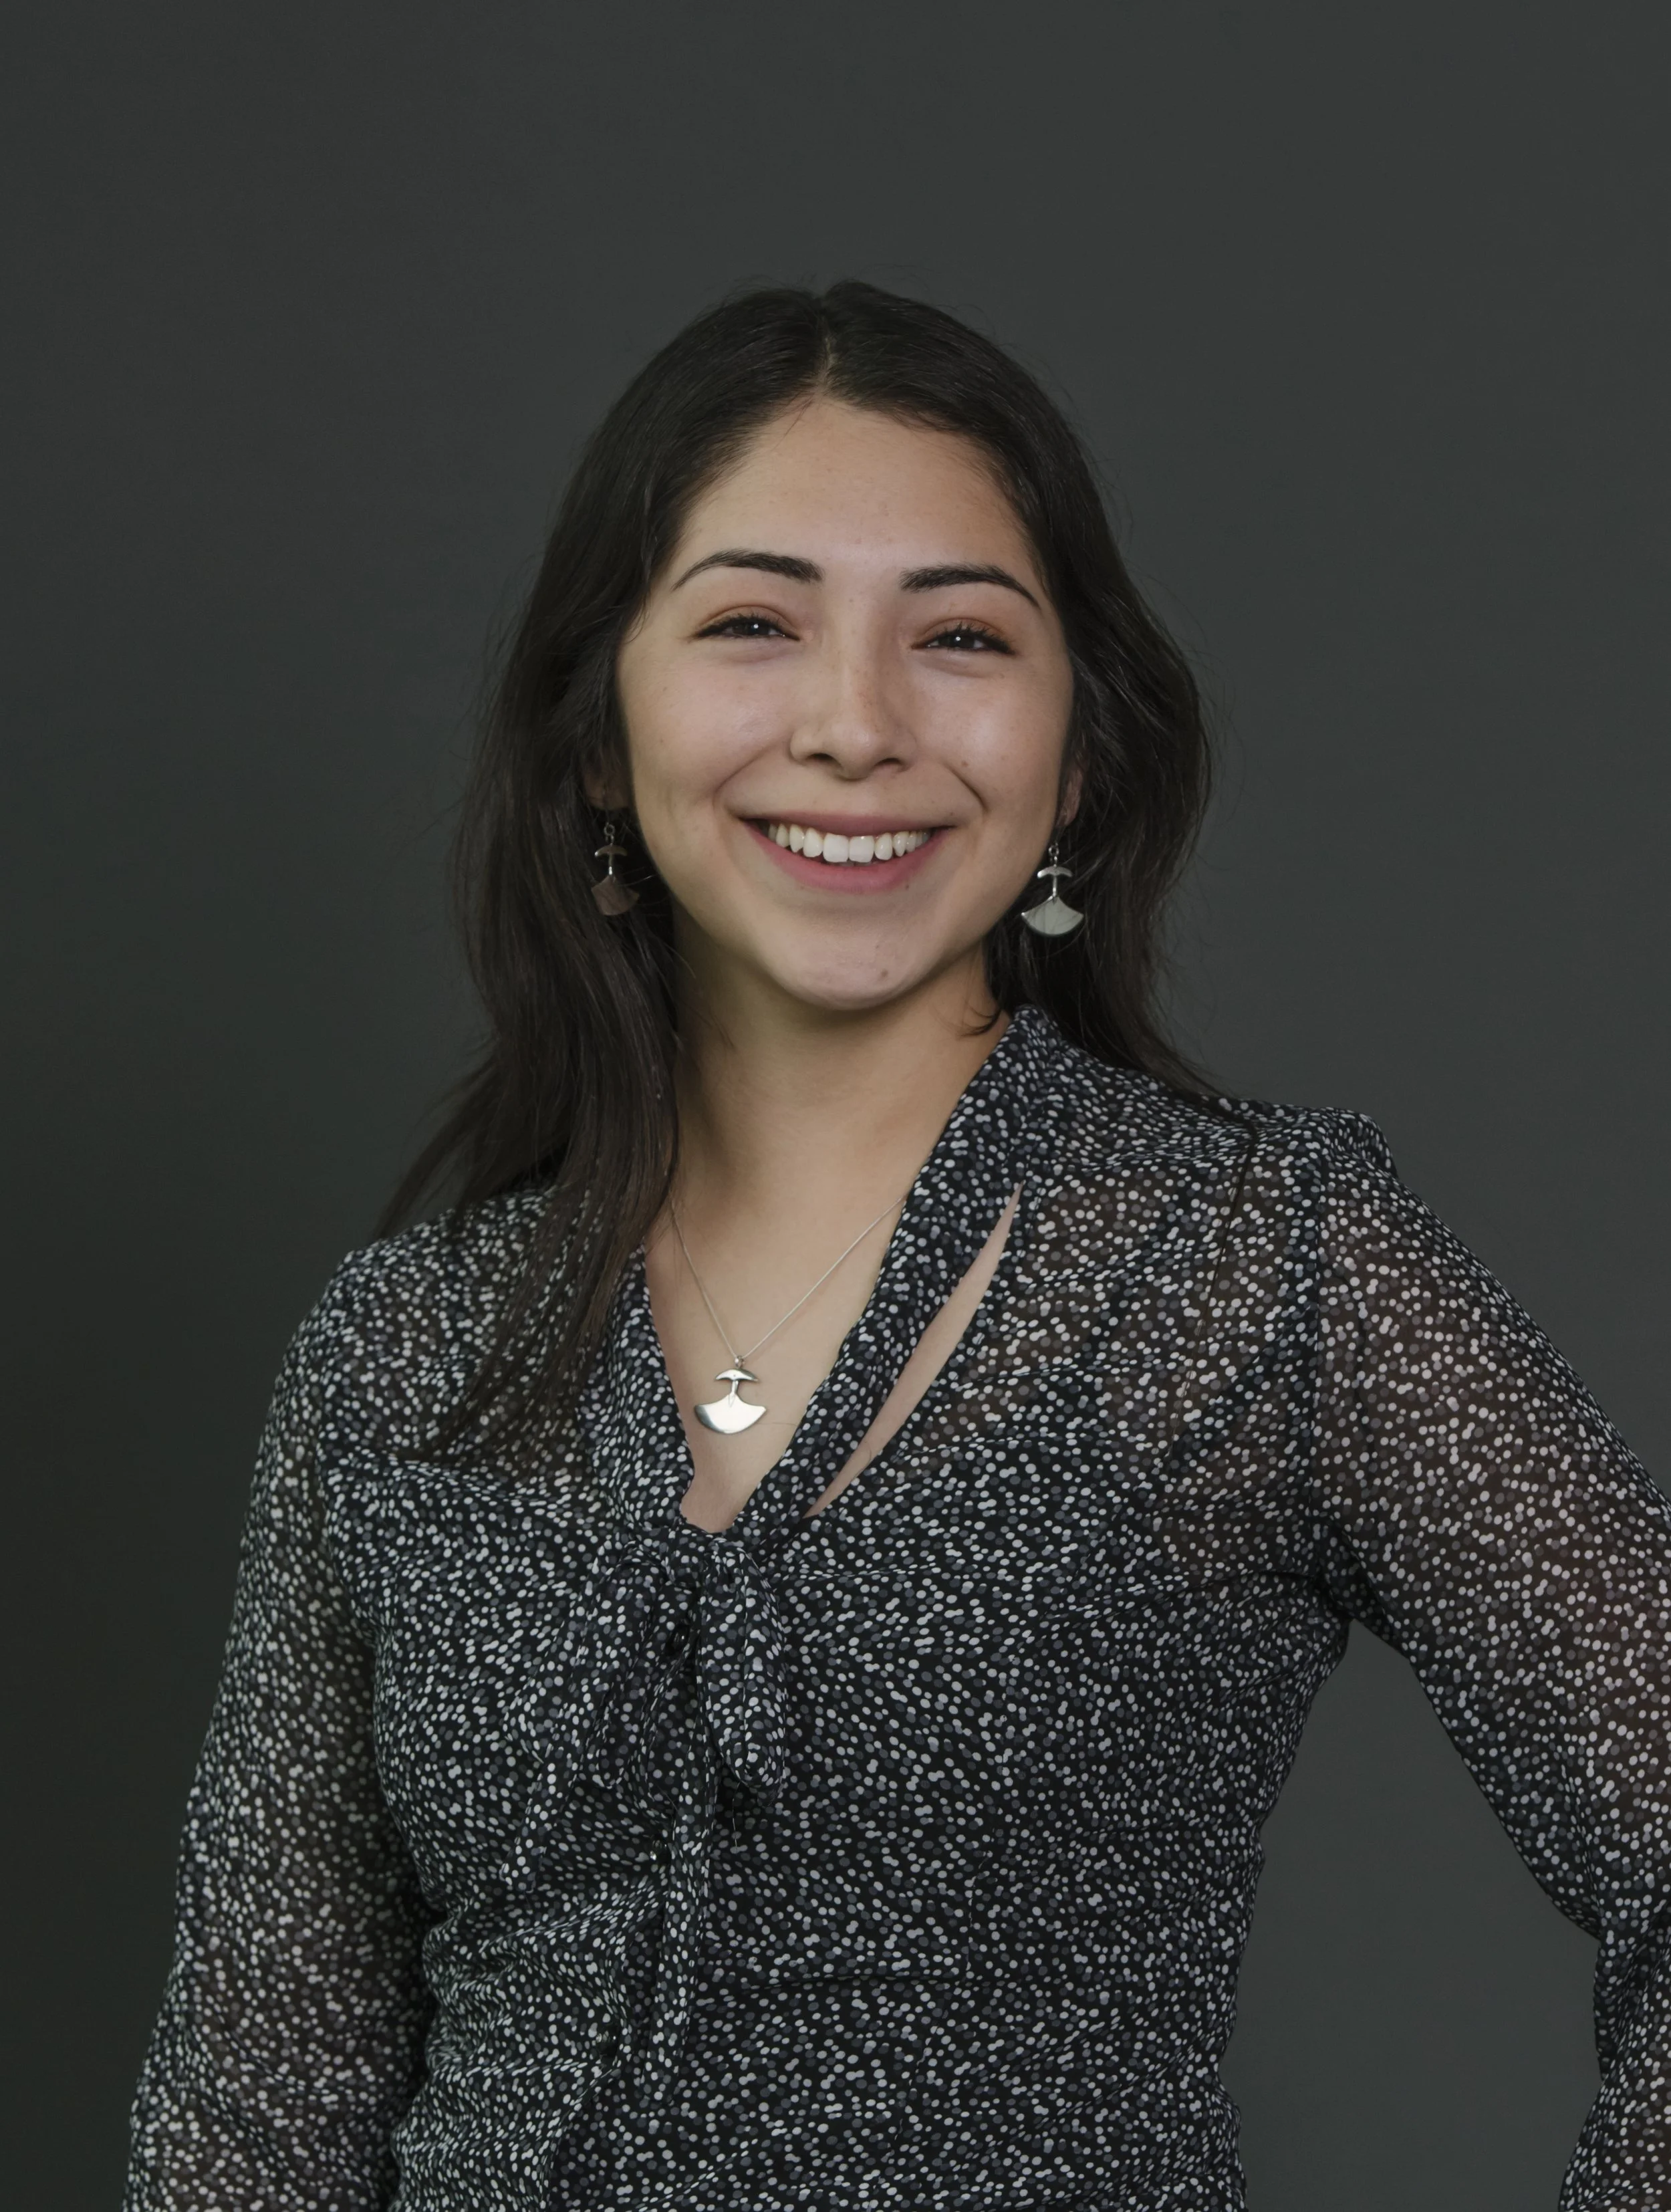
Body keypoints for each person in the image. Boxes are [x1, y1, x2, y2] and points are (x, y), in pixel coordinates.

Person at [124, 282, 1671, 2212]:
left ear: (1078, 752)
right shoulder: (401, 1351)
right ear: (601, 737)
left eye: (956, 636)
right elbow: (251, 2112)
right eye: (752, 623)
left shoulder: (1256, 1272)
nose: (854, 724)